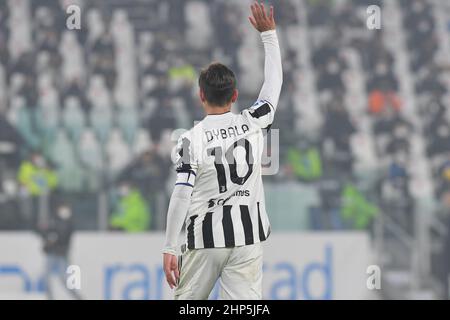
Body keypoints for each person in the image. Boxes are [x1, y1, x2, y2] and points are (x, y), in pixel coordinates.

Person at [162, 2, 282, 300]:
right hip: (247, 238)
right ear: (236, 95)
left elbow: (181, 193)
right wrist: (269, 36)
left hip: (205, 238)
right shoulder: (253, 123)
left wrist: (169, 246)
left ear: (201, 96)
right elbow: (274, 84)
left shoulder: (191, 139)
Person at [40, 203, 82, 300]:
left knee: (65, 278)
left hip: (62, 254)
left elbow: (64, 237)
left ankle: (77, 297)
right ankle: (49, 297)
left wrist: (54, 239)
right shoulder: (53, 221)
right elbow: (45, 234)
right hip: (52, 253)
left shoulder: (69, 223)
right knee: (46, 277)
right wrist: (48, 242)